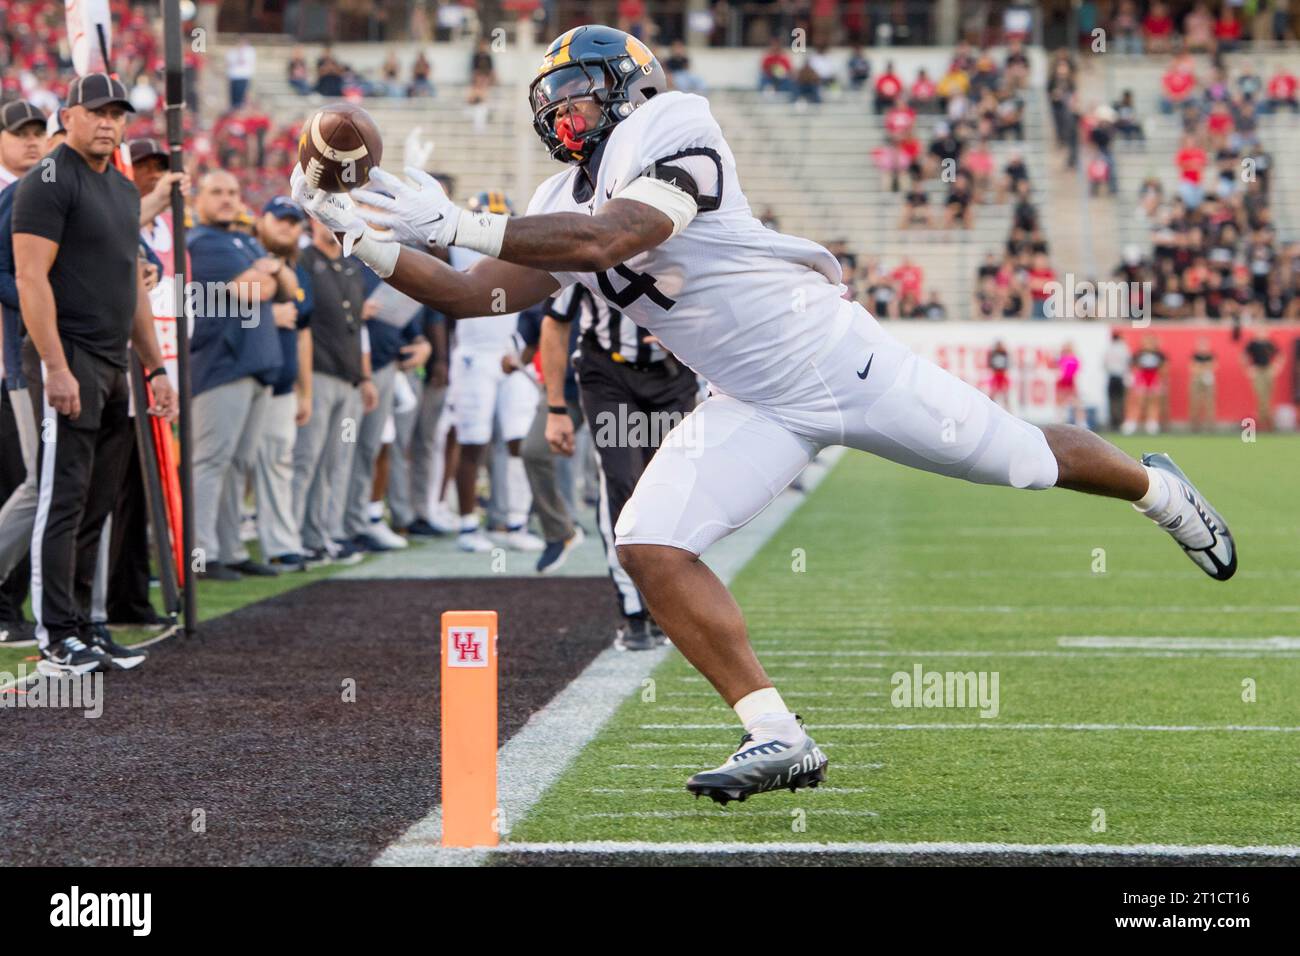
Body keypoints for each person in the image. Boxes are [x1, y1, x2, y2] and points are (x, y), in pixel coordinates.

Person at [295, 26, 1238, 806]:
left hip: (840, 361)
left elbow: (620, 235)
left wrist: (456, 219)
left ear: (626, 87)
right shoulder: (553, 196)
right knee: (650, 543)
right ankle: (778, 735)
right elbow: (471, 297)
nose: (561, 113)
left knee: (1026, 460)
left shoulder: (676, 122)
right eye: (551, 103)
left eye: (578, 92)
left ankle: (1158, 489)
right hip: (751, 400)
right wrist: (362, 238)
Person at [12, 74, 177, 674]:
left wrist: (155, 366)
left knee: (96, 502)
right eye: (96, 112)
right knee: (61, 499)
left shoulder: (123, 189)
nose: (108, 123)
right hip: (69, 355)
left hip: (114, 362)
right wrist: (55, 365)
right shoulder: (48, 181)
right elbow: (31, 279)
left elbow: (131, 281)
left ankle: (84, 625)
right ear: (69, 116)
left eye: (117, 114)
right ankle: (55, 635)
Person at [542, 280, 699, 651]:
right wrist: (555, 408)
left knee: (666, 490)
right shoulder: (589, 249)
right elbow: (555, 320)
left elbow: (724, 312)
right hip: (609, 376)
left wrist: (688, 338)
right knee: (622, 482)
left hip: (672, 380)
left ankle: (664, 604)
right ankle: (632, 609)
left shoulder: (685, 246)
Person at [188, 171, 292, 581]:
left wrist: (269, 271)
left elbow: (286, 287)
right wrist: (267, 272)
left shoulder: (244, 241)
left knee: (239, 464)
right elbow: (259, 291)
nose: (227, 199)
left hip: (255, 365)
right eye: (216, 192)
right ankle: (203, 554)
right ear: (198, 198)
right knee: (211, 461)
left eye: (233, 192)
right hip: (220, 365)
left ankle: (229, 549)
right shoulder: (202, 243)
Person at [292, 217, 376, 567]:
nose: (332, 224)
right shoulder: (304, 261)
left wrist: (366, 377)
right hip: (319, 375)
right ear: (312, 220)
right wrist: (303, 386)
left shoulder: (351, 265)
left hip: (349, 380)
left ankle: (323, 534)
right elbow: (302, 325)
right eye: (324, 217)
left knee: (335, 461)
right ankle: (292, 538)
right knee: (306, 459)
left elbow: (357, 327)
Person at [0, 100, 49, 643]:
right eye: (21, 133)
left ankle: (18, 606)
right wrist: (46, 301)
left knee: (32, 481)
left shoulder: (41, 190)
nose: (33, 142)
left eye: (40, 132)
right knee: (30, 483)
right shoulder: (14, 196)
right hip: (19, 359)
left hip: (27, 357)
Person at [1242, 327, 1282, 431]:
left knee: (1268, 397)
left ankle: (1267, 423)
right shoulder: (1252, 344)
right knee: (1261, 397)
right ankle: (1264, 423)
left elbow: (1280, 355)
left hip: (1267, 370)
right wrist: (1248, 369)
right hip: (1258, 371)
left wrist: (1276, 367)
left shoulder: (1269, 343)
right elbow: (1243, 356)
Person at [1188, 337, 1216, 433]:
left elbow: (1213, 366)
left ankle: (1210, 426)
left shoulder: (1211, 355)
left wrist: (1200, 367)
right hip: (1197, 380)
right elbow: (1193, 368)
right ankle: (1195, 426)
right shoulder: (1195, 356)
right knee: (1195, 402)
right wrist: (1204, 367)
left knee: (1209, 403)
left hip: (1208, 380)